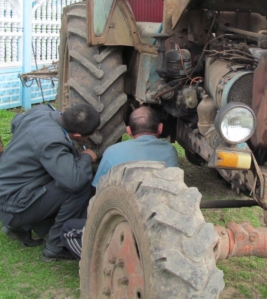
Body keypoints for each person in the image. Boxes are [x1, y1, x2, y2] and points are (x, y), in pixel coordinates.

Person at [60, 106, 179, 259]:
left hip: (124, 221)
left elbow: (98, 190)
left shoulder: (112, 151)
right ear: (161, 128)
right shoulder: (170, 150)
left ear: (128, 131)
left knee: (68, 230)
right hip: (160, 220)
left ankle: (103, 260)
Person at [0, 103, 99, 262]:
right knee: (81, 185)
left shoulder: (42, 111)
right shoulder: (53, 142)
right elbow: (74, 181)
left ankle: (19, 226)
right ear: (76, 136)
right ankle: (56, 247)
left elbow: (16, 122)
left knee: (67, 174)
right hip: (13, 204)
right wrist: (86, 157)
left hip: (4, 191)